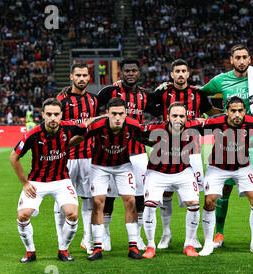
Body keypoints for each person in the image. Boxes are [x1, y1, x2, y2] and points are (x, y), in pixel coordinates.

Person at [201, 44, 253, 249]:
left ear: (250, 59)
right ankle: (219, 233)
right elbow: (199, 95)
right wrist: (216, 113)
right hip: (227, 139)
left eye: (245, 57)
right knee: (224, 188)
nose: (241, 61)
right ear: (231, 60)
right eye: (237, 57)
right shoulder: (221, 80)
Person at [153, 58, 222, 249]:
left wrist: (219, 116)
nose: (181, 74)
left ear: (188, 74)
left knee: (196, 195)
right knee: (166, 192)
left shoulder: (198, 94)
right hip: (167, 150)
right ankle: (166, 234)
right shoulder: (163, 94)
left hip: (193, 151)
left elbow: (212, 112)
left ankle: (192, 237)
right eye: (177, 71)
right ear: (172, 75)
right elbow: (144, 101)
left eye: (184, 71)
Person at [73, 97, 154, 260]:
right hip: (99, 166)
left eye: (121, 114)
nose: (118, 117)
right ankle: (97, 247)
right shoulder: (97, 126)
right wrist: (65, 147)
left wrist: (161, 143)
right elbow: (81, 138)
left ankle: (133, 246)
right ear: (107, 113)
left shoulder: (133, 125)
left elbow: (143, 138)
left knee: (130, 200)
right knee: (98, 201)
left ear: (126, 114)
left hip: (123, 165)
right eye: (114, 113)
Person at [198, 96, 253, 256]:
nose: (237, 114)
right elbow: (193, 127)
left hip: (243, 167)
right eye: (233, 110)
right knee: (209, 200)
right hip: (217, 167)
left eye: (240, 110)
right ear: (226, 111)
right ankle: (208, 243)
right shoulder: (214, 122)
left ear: (245, 111)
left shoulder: (252, 122)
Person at [10, 98, 88, 263]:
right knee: (23, 215)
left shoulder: (69, 128)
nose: (53, 118)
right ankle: (30, 252)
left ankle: (63, 250)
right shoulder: (33, 135)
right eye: (49, 114)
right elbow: (14, 157)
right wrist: (25, 183)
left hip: (62, 180)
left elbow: (83, 131)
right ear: (43, 115)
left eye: (56, 114)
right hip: (37, 181)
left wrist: (68, 145)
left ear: (61, 115)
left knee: (73, 214)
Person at [97, 58, 157, 251]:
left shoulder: (145, 95)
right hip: (112, 151)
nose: (130, 74)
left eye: (134, 70)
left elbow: (162, 106)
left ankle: (137, 236)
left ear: (139, 73)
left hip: (138, 152)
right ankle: (105, 234)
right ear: (120, 73)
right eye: (127, 71)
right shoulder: (109, 92)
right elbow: (90, 104)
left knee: (139, 195)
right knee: (109, 196)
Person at [141, 102, 203, 258]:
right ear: (167, 117)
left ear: (186, 117)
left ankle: (188, 244)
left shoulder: (193, 127)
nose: (178, 119)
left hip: (183, 171)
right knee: (149, 206)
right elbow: (136, 130)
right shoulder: (156, 128)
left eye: (181, 116)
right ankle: (150, 246)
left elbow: (216, 121)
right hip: (157, 172)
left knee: (194, 204)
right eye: (174, 116)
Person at [54, 62, 99, 255]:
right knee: (61, 200)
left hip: (89, 157)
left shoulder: (94, 101)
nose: (82, 79)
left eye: (85, 75)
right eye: (78, 75)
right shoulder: (61, 101)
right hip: (66, 158)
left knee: (89, 200)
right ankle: (61, 241)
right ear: (71, 77)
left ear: (89, 78)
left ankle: (87, 240)